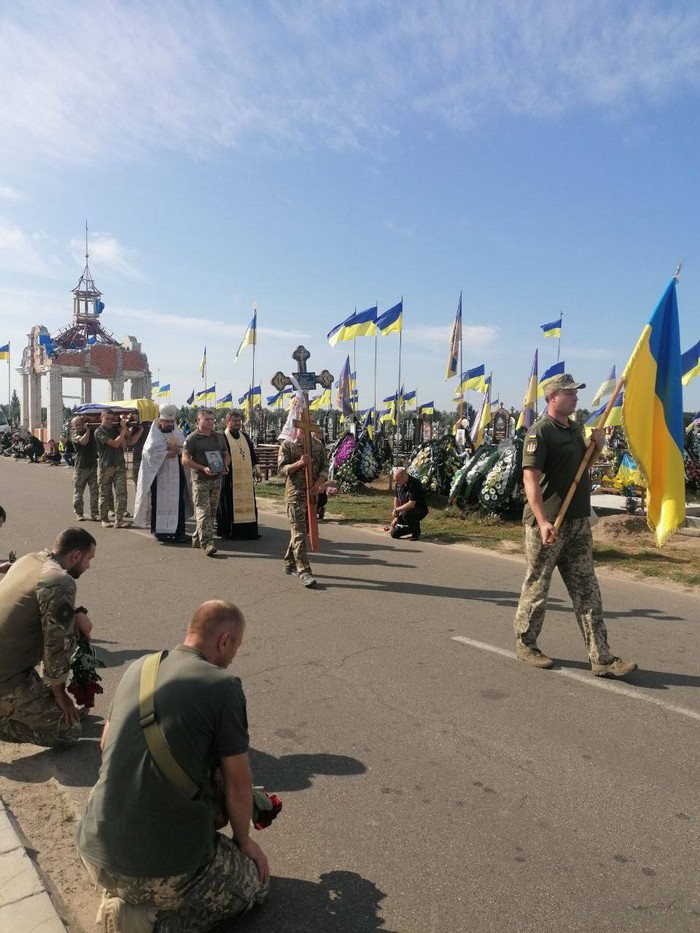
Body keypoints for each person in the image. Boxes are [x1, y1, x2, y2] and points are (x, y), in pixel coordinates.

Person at [77, 600, 269, 933]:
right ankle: (150, 922)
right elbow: (239, 786)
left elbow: (105, 743)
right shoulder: (223, 686)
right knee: (255, 884)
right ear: (225, 640)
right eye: (236, 646)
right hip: (159, 870)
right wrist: (244, 842)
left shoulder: (140, 667)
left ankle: (127, 895)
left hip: (95, 851)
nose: (233, 656)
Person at [513, 373, 638, 678]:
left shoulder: (575, 429)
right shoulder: (540, 432)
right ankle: (526, 644)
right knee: (538, 587)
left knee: (587, 591)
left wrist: (597, 447)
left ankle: (602, 658)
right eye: (569, 393)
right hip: (548, 525)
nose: (576, 397)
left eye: (575, 392)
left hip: (578, 522)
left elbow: (583, 467)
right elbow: (530, 478)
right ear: (552, 396)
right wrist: (542, 521)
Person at [0, 527, 96, 747]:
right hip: (5, 679)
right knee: (68, 730)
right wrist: (59, 693)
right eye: (89, 559)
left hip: (10, 666)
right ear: (75, 556)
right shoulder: (59, 580)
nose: (88, 566)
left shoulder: (29, 559)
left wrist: (77, 613)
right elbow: (56, 646)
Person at [277, 423, 328, 588]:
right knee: (298, 532)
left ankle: (289, 562)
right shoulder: (288, 444)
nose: (304, 430)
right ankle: (304, 570)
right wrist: (299, 463)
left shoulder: (318, 445)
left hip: (312, 495)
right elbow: (281, 469)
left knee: (302, 531)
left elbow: (325, 467)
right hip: (295, 494)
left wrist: (319, 483)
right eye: (300, 426)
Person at [133, 404, 193, 542]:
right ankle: (160, 532)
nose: (170, 424)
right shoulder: (154, 435)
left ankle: (179, 533)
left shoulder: (177, 433)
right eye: (167, 421)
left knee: (178, 502)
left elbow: (184, 448)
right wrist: (166, 454)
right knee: (158, 502)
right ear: (160, 421)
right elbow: (148, 454)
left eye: (172, 421)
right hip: (158, 475)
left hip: (176, 475)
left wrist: (178, 451)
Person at [182, 409, 230, 557]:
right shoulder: (192, 438)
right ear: (199, 421)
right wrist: (203, 468)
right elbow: (185, 460)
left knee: (211, 512)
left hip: (216, 479)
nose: (210, 422)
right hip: (200, 479)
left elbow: (226, 454)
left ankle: (197, 537)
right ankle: (207, 543)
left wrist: (225, 465)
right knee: (203, 510)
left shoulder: (219, 436)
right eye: (207, 419)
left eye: (212, 419)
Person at [217, 410, 262, 541]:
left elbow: (252, 455)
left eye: (239, 421)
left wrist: (257, 470)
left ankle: (249, 531)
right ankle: (229, 531)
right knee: (228, 503)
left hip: (246, 478)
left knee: (249, 502)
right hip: (229, 477)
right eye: (234, 421)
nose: (237, 423)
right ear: (227, 422)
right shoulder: (222, 437)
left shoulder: (245, 437)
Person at [95, 410, 143, 529]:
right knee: (104, 494)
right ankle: (104, 519)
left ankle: (119, 520)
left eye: (111, 419)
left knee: (121, 493)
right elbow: (115, 444)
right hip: (105, 466)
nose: (109, 421)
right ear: (101, 418)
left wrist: (123, 429)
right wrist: (123, 431)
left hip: (119, 465)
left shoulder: (116, 429)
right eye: (107, 418)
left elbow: (124, 445)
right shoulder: (99, 431)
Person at [71, 415, 99, 521]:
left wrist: (88, 419)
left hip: (92, 466)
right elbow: (84, 442)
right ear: (73, 426)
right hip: (80, 468)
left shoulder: (92, 431)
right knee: (78, 492)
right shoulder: (74, 434)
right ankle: (79, 513)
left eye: (80, 424)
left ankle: (94, 513)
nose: (79, 426)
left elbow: (96, 419)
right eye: (76, 425)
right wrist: (87, 430)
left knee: (94, 491)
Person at [389, 467, 429, 540]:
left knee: (406, 514)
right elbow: (396, 498)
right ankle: (412, 528)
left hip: (419, 510)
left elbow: (411, 504)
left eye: (397, 480)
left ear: (404, 477)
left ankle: (416, 533)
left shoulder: (414, 484)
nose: (396, 482)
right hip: (404, 510)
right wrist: (396, 516)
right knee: (394, 533)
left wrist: (397, 509)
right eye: (395, 480)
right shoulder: (398, 484)